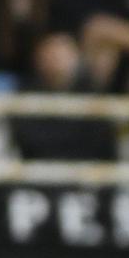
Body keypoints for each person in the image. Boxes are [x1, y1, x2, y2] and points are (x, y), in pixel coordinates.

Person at [11, 31, 119, 162]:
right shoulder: (25, 93)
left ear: (76, 57)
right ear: (38, 57)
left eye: (61, 54)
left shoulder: (92, 94)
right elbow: (26, 139)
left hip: (84, 171)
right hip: (39, 170)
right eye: (50, 54)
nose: (55, 60)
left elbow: (100, 141)